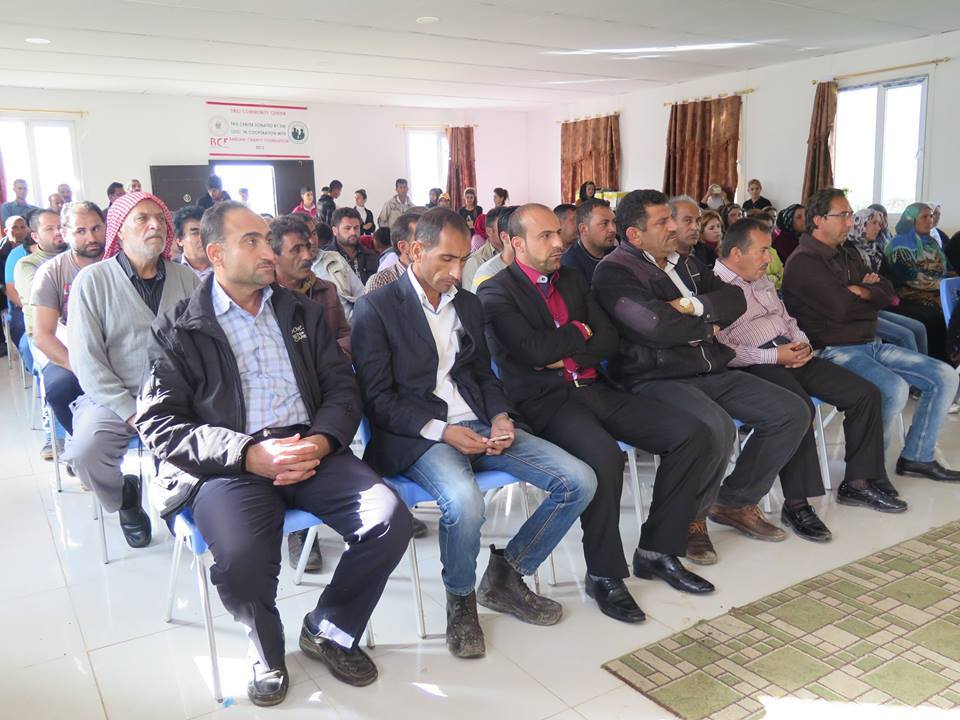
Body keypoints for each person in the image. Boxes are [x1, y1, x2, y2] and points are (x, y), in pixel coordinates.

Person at [137, 200, 411, 706]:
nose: (269, 251)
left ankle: (329, 628)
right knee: (241, 556)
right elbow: (160, 423)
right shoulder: (179, 328)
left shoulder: (300, 311)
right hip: (229, 463)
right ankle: (266, 648)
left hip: (309, 446)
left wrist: (321, 441)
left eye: (268, 239)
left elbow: (342, 388)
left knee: (388, 518)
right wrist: (247, 454)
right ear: (216, 254)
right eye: (252, 242)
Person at [351, 208, 596, 659]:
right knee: (465, 502)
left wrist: (501, 416)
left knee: (579, 480)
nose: (457, 271)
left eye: (463, 259)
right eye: (446, 259)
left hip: (481, 424)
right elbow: (377, 399)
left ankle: (507, 574)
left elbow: (483, 373)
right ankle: (461, 601)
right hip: (420, 435)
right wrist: (443, 431)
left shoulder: (466, 303)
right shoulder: (376, 308)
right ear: (416, 251)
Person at [480, 204, 720, 620]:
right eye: (545, 236)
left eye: (558, 233)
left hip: (595, 387)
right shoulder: (496, 292)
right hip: (547, 401)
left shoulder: (574, 279)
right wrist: (579, 331)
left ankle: (657, 550)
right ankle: (604, 574)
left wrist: (566, 347)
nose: (558, 243)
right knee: (605, 458)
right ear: (516, 243)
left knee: (692, 434)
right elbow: (531, 351)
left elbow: (607, 339)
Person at [593, 190, 811, 562]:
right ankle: (691, 521)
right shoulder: (615, 271)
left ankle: (734, 501)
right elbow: (655, 326)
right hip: (656, 377)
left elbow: (735, 300)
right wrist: (707, 325)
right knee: (716, 428)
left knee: (791, 412)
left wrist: (689, 306)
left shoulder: (686, 262)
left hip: (709, 366)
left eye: (671, 219)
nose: (673, 227)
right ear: (634, 235)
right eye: (663, 222)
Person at [716, 219, 905, 526]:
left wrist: (802, 343)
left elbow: (787, 319)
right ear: (737, 253)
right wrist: (774, 355)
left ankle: (858, 483)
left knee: (866, 394)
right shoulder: (713, 286)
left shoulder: (760, 279)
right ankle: (797, 504)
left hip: (791, 351)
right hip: (754, 363)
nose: (768, 258)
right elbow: (722, 351)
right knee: (799, 407)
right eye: (762, 251)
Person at [782, 188, 960, 483]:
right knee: (893, 388)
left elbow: (886, 290)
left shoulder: (845, 252)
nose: (849, 222)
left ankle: (917, 456)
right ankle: (868, 473)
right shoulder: (804, 261)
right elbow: (841, 308)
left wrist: (863, 292)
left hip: (865, 342)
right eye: (842, 215)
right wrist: (867, 296)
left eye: (850, 214)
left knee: (945, 376)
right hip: (831, 349)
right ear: (818, 220)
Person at [65, 191, 200, 549]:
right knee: (85, 452)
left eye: (160, 218)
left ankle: (181, 505)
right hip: (114, 398)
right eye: (142, 218)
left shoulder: (186, 279)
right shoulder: (93, 281)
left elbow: (204, 343)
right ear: (119, 231)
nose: (155, 224)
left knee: (213, 441)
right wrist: (132, 412)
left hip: (177, 397)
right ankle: (124, 497)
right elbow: (86, 361)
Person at [31, 201, 106, 440]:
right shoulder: (51, 272)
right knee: (59, 387)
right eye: (80, 231)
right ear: (65, 234)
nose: (91, 237)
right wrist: (81, 368)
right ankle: (83, 442)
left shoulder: (121, 262)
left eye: (96, 228)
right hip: (72, 353)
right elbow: (43, 336)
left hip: (118, 348)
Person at [845, 208, 928, 355]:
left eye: (879, 223)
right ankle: (913, 368)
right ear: (860, 224)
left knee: (919, 327)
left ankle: (925, 366)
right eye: (874, 223)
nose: (879, 227)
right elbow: (853, 286)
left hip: (878, 302)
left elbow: (888, 280)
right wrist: (869, 286)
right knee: (905, 336)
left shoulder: (875, 250)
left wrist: (873, 286)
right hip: (860, 309)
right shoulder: (847, 251)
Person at [884, 202, 952, 361]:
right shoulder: (899, 245)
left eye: (931, 216)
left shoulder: (931, 242)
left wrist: (951, 281)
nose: (930, 220)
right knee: (943, 308)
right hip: (909, 291)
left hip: (936, 287)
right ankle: (938, 359)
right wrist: (944, 286)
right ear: (911, 220)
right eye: (924, 217)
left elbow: (947, 268)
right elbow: (912, 279)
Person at [561, 198, 616, 283]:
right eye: (604, 224)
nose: (613, 229)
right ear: (583, 229)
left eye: (614, 222)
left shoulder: (615, 253)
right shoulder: (569, 264)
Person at [366, 212, 419, 292]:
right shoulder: (382, 281)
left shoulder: (433, 276)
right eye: (423, 241)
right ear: (403, 247)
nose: (431, 246)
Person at [322, 208, 378, 285]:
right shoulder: (325, 258)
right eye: (347, 228)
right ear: (335, 231)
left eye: (356, 228)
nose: (353, 232)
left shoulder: (370, 255)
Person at [470, 207, 515, 292]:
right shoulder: (475, 261)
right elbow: (470, 297)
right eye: (500, 227)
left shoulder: (521, 258)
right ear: (489, 231)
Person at [670, 196, 716, 268]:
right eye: (687, 220)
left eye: (698, 221)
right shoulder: (660, 258)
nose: (695, 227)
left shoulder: (707, 252)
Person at [172, 205, 212, 281]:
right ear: (179, 240)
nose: (203, 237)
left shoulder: (225, 266)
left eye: (205, 231)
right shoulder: (170, 272)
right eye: (195, 233)